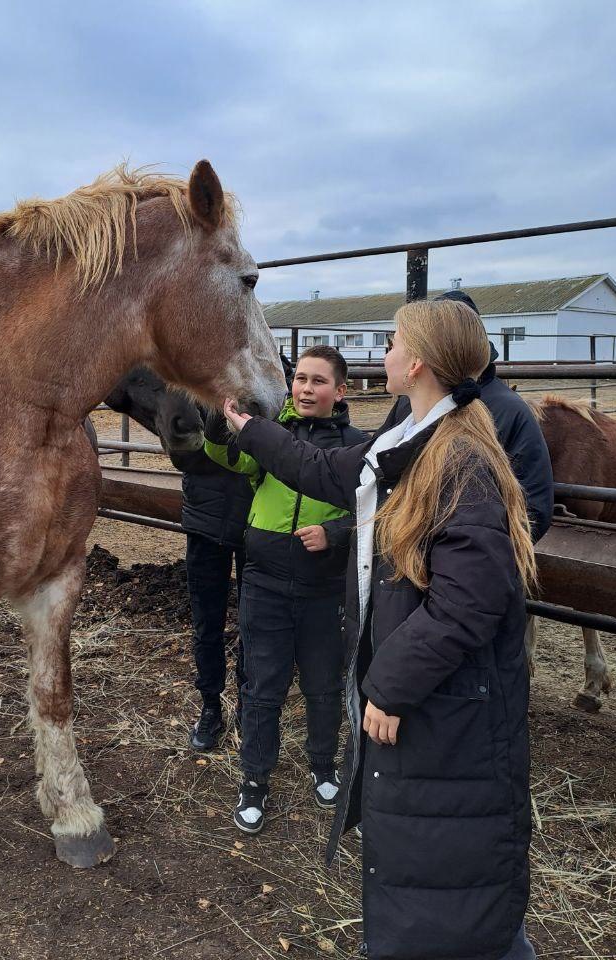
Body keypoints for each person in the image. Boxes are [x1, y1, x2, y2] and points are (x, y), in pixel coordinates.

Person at [221, 300, 543, 960]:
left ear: (417, 361)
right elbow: (325, 470)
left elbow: (471, 601)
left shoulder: (459, 462)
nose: (385, 353)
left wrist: (389, 686)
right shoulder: (418, 439)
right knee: (436, 867)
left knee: (449, 869)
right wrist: (249, 428)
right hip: (439, 705)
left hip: (447, 711)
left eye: (393, 342)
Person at [204, 345, 367, 834]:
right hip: (266, 582)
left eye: (319, 381)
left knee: (323, 684)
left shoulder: (356, 446)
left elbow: (376, 513)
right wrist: (221, 415)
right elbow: (222, 456)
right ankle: (254, 780)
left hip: (324, 587)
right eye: (300, 379)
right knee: (263, 686)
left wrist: (335, 535)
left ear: (340, 391)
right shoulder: (273, 437)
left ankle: (323, 766)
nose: (306, 388)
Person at [376, 289, 553, 541]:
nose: (387, 355)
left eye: (394, 345)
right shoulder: (409, 404)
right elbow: (378, 463)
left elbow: (532, 507)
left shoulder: (509, 411)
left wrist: (479, 553)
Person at [168, 422, 255, 751]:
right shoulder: (194, 387)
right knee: (207, 622)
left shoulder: (273, 384)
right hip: (206, 520)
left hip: (256, 522)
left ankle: (249, 706)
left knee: (254, 621)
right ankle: (211, 705)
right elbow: (179, 448)